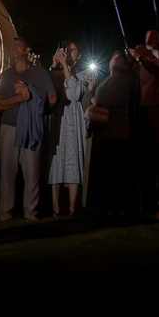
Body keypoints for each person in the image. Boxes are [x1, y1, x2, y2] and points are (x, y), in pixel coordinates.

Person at [0, 34, 56, 220]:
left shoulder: (39, 73)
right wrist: (20, 97)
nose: (14, 49)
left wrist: (32, 93)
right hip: (9, 126)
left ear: (27, 50)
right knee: (7, 172)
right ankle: (5, 213)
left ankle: (31, 212)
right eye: (12, 46)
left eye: (18, 45)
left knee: (32, 171)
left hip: (31, 127)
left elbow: (52, 98)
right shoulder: (6, 75)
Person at [87, 51, 144, 220]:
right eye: (114, 57)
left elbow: (109, 104)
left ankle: (122, 207)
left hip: (121, 133)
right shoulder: (103, 82)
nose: (117, 59)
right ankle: (107, 206)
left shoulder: (129, 81)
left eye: (121, 58)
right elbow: (95, 101)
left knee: (120, 175)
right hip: (104, 135)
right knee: (107, 176)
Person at [132, 29, 159, 218]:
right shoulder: (141, 56)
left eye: (152, 37)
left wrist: (141, 57)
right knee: (144, 157)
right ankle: (145, 203)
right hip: (143, 110)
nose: (148, 41)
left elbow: (158, 68)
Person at [49, 42, 91, 215]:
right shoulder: (56, 73)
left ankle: (73, 207)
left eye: (72, 50)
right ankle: (55, 208)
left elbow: (75, 93)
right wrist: (54, 65)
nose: (68, 53)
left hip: (73, 119)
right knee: (56, 161)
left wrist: (65, 66)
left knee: (73, 160)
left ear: (78, 55)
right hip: (59, 119)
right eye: (66, 50)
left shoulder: (85, 74)